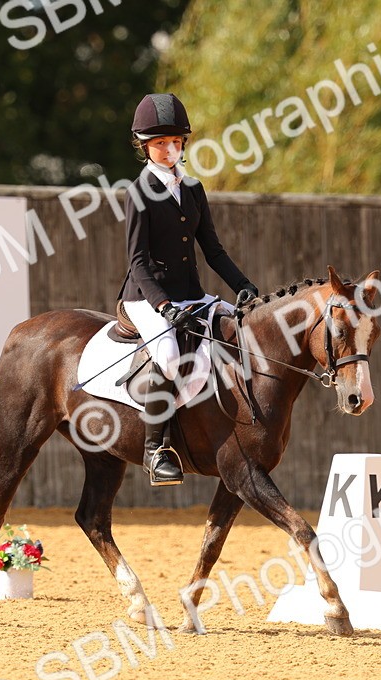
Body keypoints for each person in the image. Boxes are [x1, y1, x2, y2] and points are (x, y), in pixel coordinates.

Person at [118, 93, 259, 487]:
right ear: (145, 146)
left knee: (234, 328)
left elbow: (212, 248)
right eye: (160, 143)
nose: (169, 150)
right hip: (147, 297)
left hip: (191, 293)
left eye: (176, 142)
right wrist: (162, 306)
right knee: (167, 355)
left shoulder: (193, 188)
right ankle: (155, 451)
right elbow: (138, 261)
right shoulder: (139, 192)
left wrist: (242, 284)